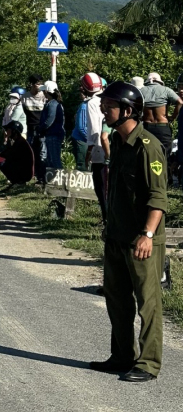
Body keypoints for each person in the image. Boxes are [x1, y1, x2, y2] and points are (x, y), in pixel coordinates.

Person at [89, 81, 168, 382]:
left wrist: (147, 235)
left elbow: (158, 198)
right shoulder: (117, 141)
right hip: (117, 236)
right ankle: (122, 356)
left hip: (141, 240)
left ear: (126, 110)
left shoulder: (148, 147)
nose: (103, 110)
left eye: (108, 106)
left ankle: (148, 364)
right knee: (117, 300)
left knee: (148, 304)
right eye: (103, 105)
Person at [80, 73, 108, 219]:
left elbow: (94, 131)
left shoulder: (91, 103)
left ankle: (106, 218)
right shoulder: (109, 97)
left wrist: (89, 152)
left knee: (101, 187)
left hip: (99, 149)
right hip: (111, 146)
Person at [139, 72, 180, 157]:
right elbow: (180, 102)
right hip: (162, 127)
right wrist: (173, 117)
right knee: (165, 154)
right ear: (159, 81)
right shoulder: (166, 90)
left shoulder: (141, 91)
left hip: (147, 127)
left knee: (147, 154)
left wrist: (140, 117)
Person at [22, 75, 47, 182]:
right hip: (31, 128)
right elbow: (23, 112)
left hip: (41, 128)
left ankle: (42, 176)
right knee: (31, 152)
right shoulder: (25, 97)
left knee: (42, 153)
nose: (40, 86)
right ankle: (32, 174)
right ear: (32, 84)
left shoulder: (44, 96)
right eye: (37, 84)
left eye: (41, 83)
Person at [38, 80, 66, 171]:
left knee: (54, 160)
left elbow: (49, 120)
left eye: (43, 91)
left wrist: (40, 128)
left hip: (53, 134)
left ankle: (59, 177)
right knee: (51, 159)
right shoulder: (52, 103)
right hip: (52, 134)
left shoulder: (52, 104)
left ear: (46, 91)